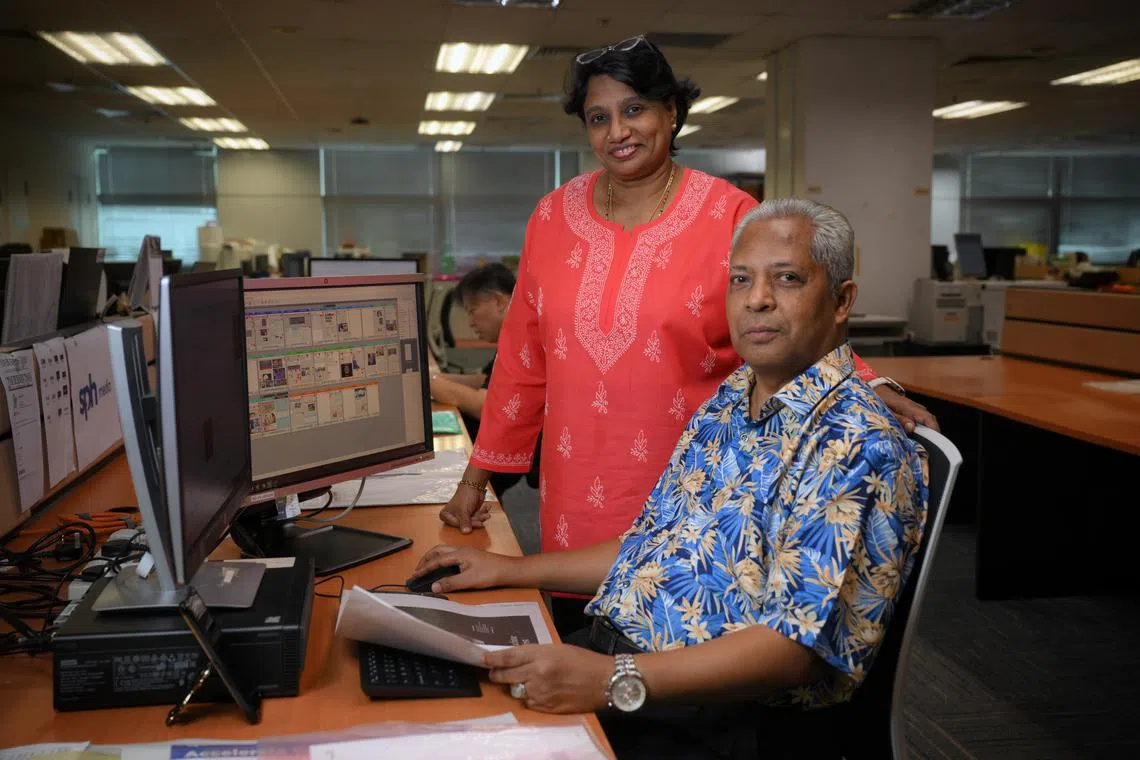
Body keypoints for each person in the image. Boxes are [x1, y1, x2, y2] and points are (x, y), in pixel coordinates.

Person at [440, 35, 936, 634]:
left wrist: (862, 384)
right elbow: (523, 360)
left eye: (635, 109)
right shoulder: (552, 217)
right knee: (577, 640)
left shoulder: (729, 215)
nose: (617, 131)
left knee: (671, 637)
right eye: (599, 118)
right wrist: (477, 479)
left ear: (671, 112)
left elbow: (787, 318)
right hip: (575, 489)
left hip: (688, 490)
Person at [412, 199, 930, 759]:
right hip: (629, 665)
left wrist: (610, 679)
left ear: (842, 301)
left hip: (719, 714)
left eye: (787, 279)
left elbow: (790, 649)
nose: (756, 299)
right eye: (740, 279)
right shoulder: (732, 401)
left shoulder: (853, 440)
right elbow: (651, 546)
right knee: (430, 706)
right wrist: (508, 570)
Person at [428, 263, 527, 499]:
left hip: (505, 455)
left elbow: (487, 407)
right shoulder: (512, 336)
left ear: (499, 301)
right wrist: (432, 376)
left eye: (472, 310)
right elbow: (481, 379)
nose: (470, 322)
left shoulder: (521, 340)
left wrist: (430, 381)